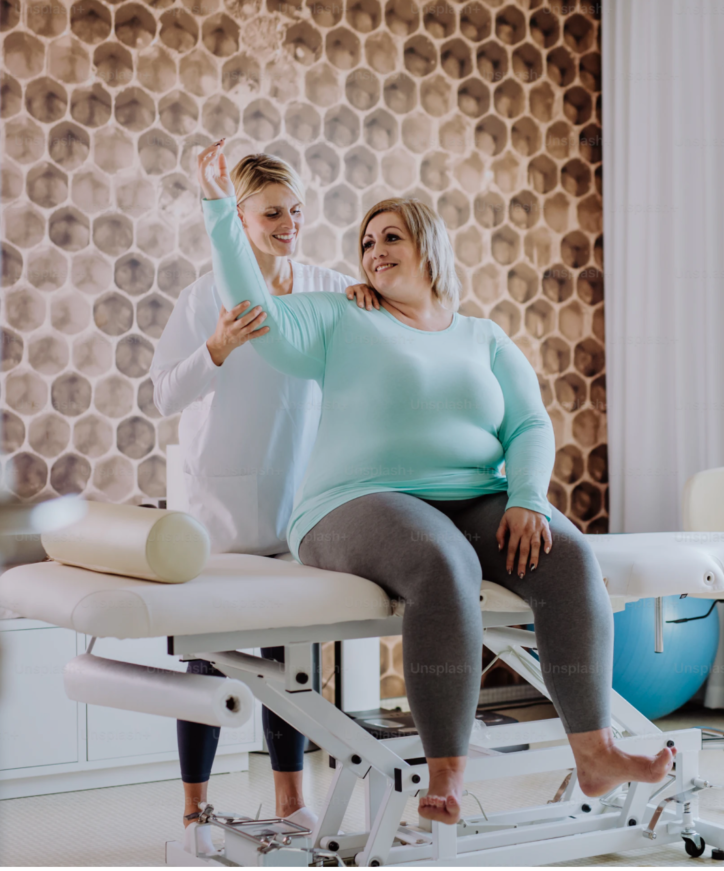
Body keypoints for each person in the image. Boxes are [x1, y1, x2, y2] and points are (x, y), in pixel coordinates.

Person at [196, 140, 677, 826]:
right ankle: (446, 770)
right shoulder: (341, 316)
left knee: (568, 555)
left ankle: (595, 751)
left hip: (473, 494)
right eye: (366, 242)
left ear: (430, 247)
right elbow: (258, 315)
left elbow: (530, 425)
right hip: (352, 501)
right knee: (441, 561)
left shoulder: (481, 336)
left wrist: (526, 498)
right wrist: (219, 207)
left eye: (391, 236)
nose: (375, 249)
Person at [150, 153, 379, 849]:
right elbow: (163, 394)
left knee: (292, 655)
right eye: (272, 212)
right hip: (217, 504)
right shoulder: (204, 297)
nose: (289, 224)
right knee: (207, 657)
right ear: (240, 219)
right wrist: (217, 346)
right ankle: (195, 813)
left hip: (300, 505)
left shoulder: (330, 289)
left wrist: (371, 303)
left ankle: (291, 800)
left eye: (296, 209)